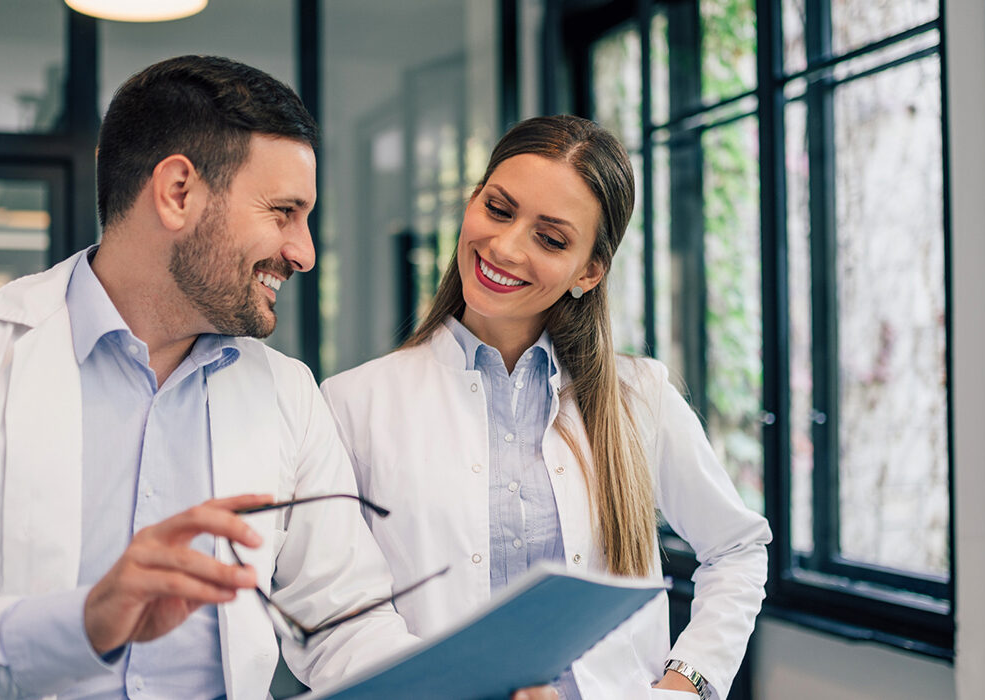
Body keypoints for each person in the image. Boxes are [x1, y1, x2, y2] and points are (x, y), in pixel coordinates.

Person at [0, 55, 503, 699]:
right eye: (285, 212)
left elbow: (345, 624)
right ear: (176, 193)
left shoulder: (287, 396)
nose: (305, 252)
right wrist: (80, 623)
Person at [320, 115, 772, 700]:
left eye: (551, 239)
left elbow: (736, 547)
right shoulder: (355, 403)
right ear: (472, 201)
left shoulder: (639, 397)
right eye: (499, 209)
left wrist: (687, 683)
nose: (505, 247)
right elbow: (334, 613)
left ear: (589, 271)